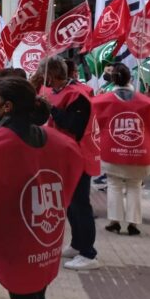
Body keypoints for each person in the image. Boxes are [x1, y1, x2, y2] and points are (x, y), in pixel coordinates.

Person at [0, 77, 83, 299]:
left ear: (7, 106)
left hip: (18, 240)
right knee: (37, 297)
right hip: (44, 239)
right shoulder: (60, 142)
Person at [41, 57, 100, 271]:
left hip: (79, 157)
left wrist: (52, 110)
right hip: (64, 156)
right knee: (69, 204)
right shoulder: (56, 92)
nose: (43, 79)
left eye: (45, 75)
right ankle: (77, 244)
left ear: (53, 75)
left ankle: (89, 254)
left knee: (80, 205)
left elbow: (74, 126)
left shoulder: (78, 95)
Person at [90, 64, 150, 236]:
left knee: (114, 186)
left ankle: (114, 222)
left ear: (112, 79)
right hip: (140, 153)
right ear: (130, 79)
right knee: (135, 187)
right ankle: (133, 224)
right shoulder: (146, 102)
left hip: (112, 152)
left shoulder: (102, 101)